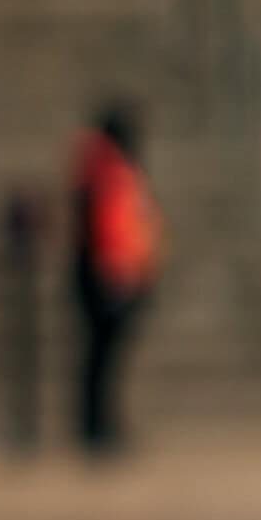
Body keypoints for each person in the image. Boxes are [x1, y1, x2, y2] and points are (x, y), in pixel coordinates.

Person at [69, 101, 163, 457]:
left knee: (104, 359)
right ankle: (94, 428)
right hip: (106, 275)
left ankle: (101, 425)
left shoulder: (107, 170)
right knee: (99, 358)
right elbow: (105, 228)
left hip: (115, 272)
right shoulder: (104, 171)